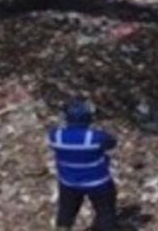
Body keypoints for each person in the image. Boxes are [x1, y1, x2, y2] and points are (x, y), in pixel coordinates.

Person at [47, 99, 118, 231]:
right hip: (98, 182)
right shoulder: (95, 137)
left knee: (65, 214)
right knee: (106, 213)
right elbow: (111, 143)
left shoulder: (55, 136)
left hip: (68, 182)